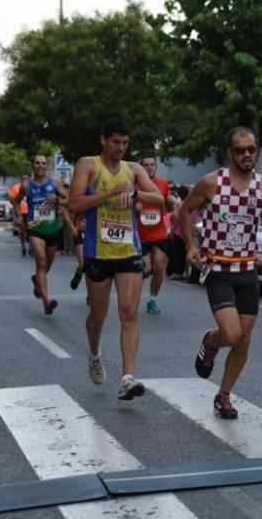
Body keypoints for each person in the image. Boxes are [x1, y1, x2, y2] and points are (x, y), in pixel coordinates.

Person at [180, 127, 262, 420]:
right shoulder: (212, 183)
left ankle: (223, 395)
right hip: (218, 269)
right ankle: (211, 341)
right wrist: (191, 245)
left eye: (251, 149)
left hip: (248, 270)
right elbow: (184, 210)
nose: (246, 155)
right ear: (230, 153)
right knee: (230, 333)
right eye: (240, 150)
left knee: (243, 340)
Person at [67, 118, 165, 401]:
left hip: (128, 252)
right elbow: (74, 204)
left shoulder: (133, 169)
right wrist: (109, 193)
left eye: (125, 143)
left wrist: (133, 192)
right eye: (115, 142)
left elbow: (158, 197)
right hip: (98, 252)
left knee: (129, 313)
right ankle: (95, 354)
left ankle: (127, 377)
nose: (121, 148)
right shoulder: (88, 165)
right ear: (103, 140)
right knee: (98, 315)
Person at [11, 155, 68, 314]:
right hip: (35, 229)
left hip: (53, 229)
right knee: (41, 263)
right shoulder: (26, 186)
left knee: (47, 266)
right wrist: (18, 217)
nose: (40, 166)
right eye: (37, 163)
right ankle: (47, 301)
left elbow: (70, 200)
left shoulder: (55, 184)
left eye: (43, 163)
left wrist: (57, 201)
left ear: (46, 166)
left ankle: (37, 281)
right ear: (33, 166)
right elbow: (16, 201)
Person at [136, 154, 176, 314]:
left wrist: (171, 203)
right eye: (146, 165)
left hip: (159, 233)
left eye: (152, 164)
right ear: (141, 167)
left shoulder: (163, 184)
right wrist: (134, 207)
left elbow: (168, 208)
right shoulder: (136, 185)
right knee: (146, 269)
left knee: (159, 266)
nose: (149, 167)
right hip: (141, 234)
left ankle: (152, 300)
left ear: (156, 167)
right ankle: (137, 281)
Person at [10, 175, 30, 257]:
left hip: (30, 212)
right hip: (21, 212)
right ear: (21, 180)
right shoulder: (15, 188)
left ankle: (31, 247)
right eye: (24, 179)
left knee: (32, 230)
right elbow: (14, 201)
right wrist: (17, 215)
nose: (25, 180)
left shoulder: (31, 187)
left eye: (26, 179)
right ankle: (23, 247)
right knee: (22, 231)